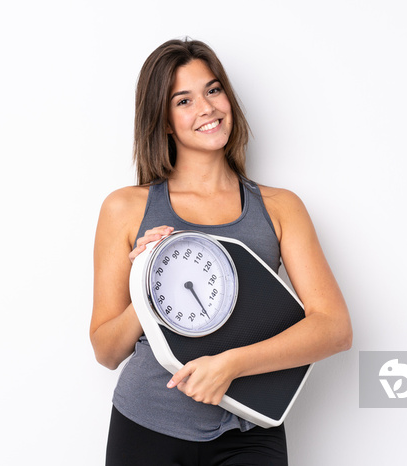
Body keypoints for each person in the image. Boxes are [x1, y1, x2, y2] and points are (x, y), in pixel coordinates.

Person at [90, 38, 352, 465]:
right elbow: (106, 351)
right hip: (147, 421)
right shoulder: (125, 208)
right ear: (165, 120)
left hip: (250, 426)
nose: (207, 108)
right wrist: (151, 285)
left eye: (213, 90)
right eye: (184, 100)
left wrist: (231, 365)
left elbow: (334, 328)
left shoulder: (280, 207)